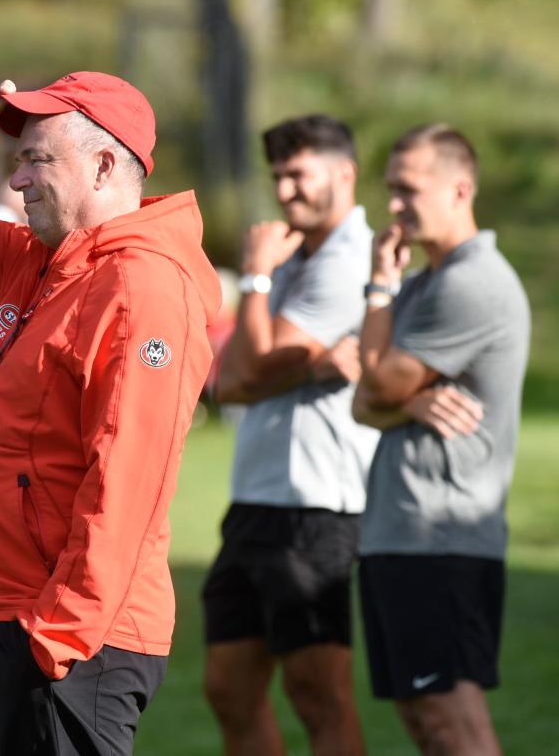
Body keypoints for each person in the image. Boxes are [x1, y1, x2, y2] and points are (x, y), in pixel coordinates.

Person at [0, 72, 221, 754]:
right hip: (2, 617)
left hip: (61, 639)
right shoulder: (45, 262)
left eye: (36, 158)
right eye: (15, 161)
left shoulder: (142, 288)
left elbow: (128, 478)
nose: (16, 182)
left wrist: (60, 635)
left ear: (104, 165)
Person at [204, 115, 379, 756]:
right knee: (228, 687)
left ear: (343, 173)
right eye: (277, 176)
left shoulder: (348, 259)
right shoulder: (296, 257)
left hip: (315, 504)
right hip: (256, 498)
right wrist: (304, 364)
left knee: (318, 694)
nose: (285, 191)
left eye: (298, 174)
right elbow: (229, 383)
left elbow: (248, 369)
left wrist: (252, 278)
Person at [353, 124, 530, 755]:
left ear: (460, 189)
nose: (394, 205)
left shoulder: (468, 283)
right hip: (403, 530)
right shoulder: (427, 281)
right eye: (390, 189)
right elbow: (365, 403)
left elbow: (372, 382)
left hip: (441, 533)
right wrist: (408, 402)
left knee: (455, 724)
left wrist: (377, 286)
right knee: (425, 718)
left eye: (409, 189)